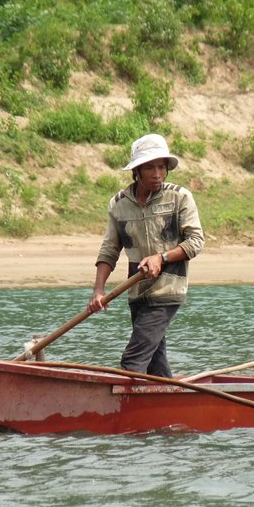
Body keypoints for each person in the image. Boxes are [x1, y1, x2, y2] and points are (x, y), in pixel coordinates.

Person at [87, 133, 204, 377]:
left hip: (167, 289)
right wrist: (99, 290)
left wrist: (161, 258)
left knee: (134, 359)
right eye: (150, 168)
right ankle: (168, 397)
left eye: (161, 167)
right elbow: (110, 249)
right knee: (154, 364)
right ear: (136, 171)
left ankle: (125, 401)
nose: (157, 174)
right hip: (137, 291)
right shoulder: (119, 204)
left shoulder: (179, 197)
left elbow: (195, 242)